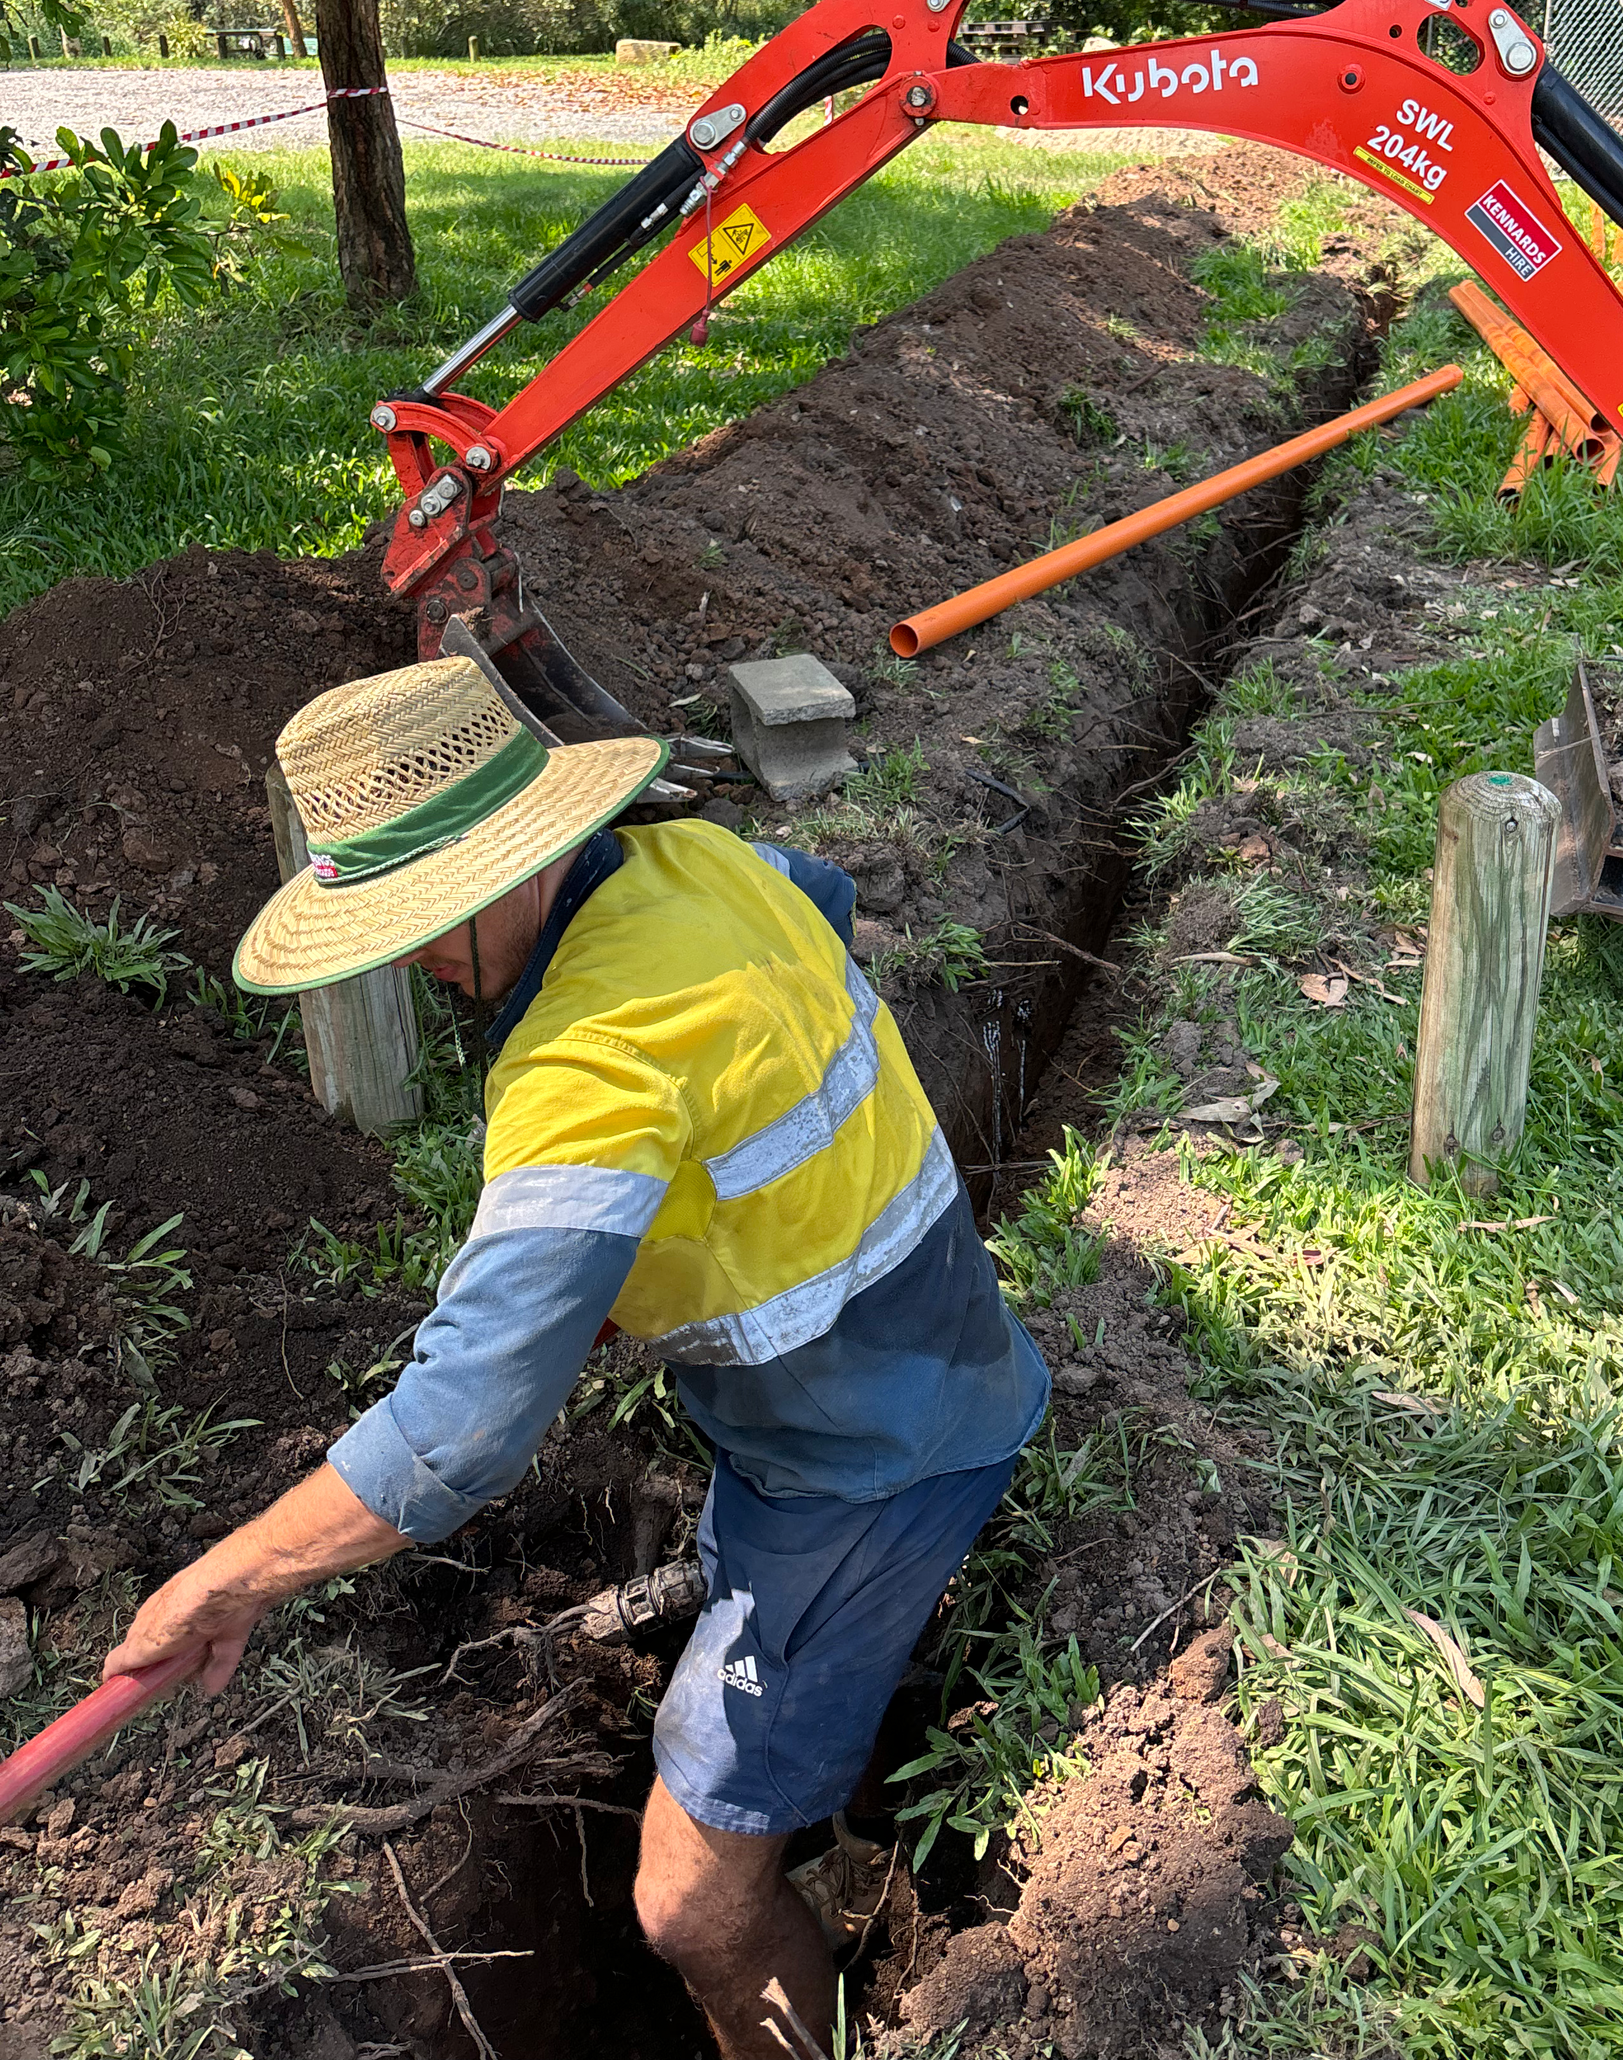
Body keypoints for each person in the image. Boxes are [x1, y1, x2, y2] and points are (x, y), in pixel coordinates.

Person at [102, 656, 1049, 2058]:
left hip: (870, 1456)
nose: (411, 962)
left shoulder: (587, 1069)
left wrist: (222, 1582)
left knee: (684, 1905)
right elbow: (826, 905)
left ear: (506, 871)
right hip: (903, 1353)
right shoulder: (695, 859)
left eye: (417, 926)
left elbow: (462, 1432)